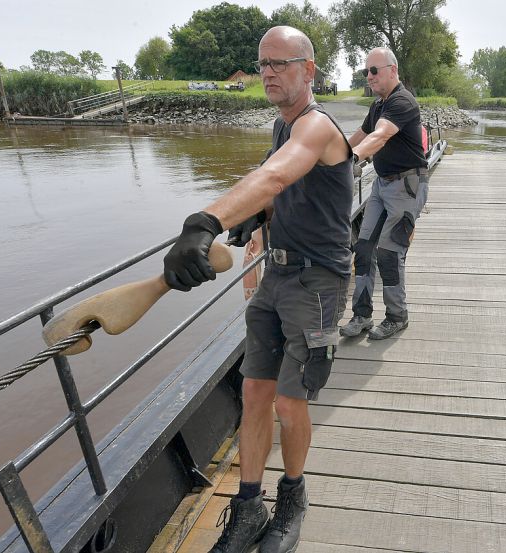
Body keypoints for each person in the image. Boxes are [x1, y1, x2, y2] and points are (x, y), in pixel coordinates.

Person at [162, 26, 353, 553]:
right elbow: (273, 186)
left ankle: (293, 500)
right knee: (253, 394)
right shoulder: (281, 126)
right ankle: (248, 509)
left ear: (309, 70)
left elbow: (273, 177)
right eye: (263, 63)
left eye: (281, 63)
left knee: (290, 403)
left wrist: (206, 223)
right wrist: (254, 221)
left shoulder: (315, 128)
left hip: (317, 283)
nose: (268, 72)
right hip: (278, 276)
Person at [339, 47, 429, 340]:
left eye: (374, 71)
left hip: (406, 186)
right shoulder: (378, 105)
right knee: (364, 249)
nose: (369, 76)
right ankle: (362, 315)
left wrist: (355, 160)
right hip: (381, 184)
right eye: (366, 72)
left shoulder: (402, 102)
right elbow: (360, 136)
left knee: (389, 253)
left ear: (393, 70)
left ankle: (396, 316)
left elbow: (380, 135)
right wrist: (331, 157)